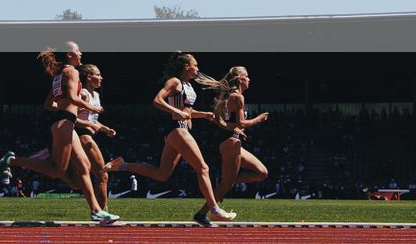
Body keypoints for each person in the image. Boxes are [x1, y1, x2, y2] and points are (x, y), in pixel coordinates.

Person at [110, 52, 237, 224]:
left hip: (178, 131)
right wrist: (177, 112)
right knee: (203, 168)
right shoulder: (175, 82)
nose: (198, 69)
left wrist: (203, 115)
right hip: (177, 130)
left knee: (162, 174)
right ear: (186, 67)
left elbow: (188, 112)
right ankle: (214, 209)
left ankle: (122, 165)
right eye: (195, 65)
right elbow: (157, 100)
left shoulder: (188, 86)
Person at [29, 46, 120, 224]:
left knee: (75, 179)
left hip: (71, 126)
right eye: (98, 74)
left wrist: (102, 127)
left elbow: (50, 104)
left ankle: (99, 212)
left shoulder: (61, 76)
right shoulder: (77, 83)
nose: (81, 53)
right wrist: (90, 110)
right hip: (77, 131)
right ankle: (102, 211)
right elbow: (73, 103)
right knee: (101, 173)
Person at [212, 65, 269, 203]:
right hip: (230, 142)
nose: (249, 79)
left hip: (230, 140)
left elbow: (217, 120)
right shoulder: (238, 97)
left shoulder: (226, 95)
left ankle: (223, 182)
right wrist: (258, 119)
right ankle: (205, 212)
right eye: (247, 76)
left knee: (262, 173)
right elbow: (242, 123)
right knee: (228, 183)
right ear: (240, 79)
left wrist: (232, 128)